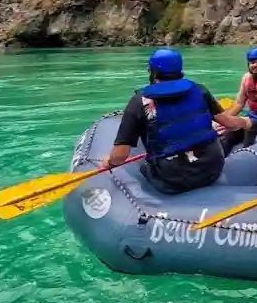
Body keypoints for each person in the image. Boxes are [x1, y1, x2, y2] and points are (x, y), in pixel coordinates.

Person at [101, 48, 248, 194]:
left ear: (152, 72)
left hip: (172, 180)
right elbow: (230, 123)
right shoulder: (199, 90)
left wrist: (109, 162)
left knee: (144, 167)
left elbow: (120, 155)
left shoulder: (139, 102)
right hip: (211, 170)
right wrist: (246, 122)